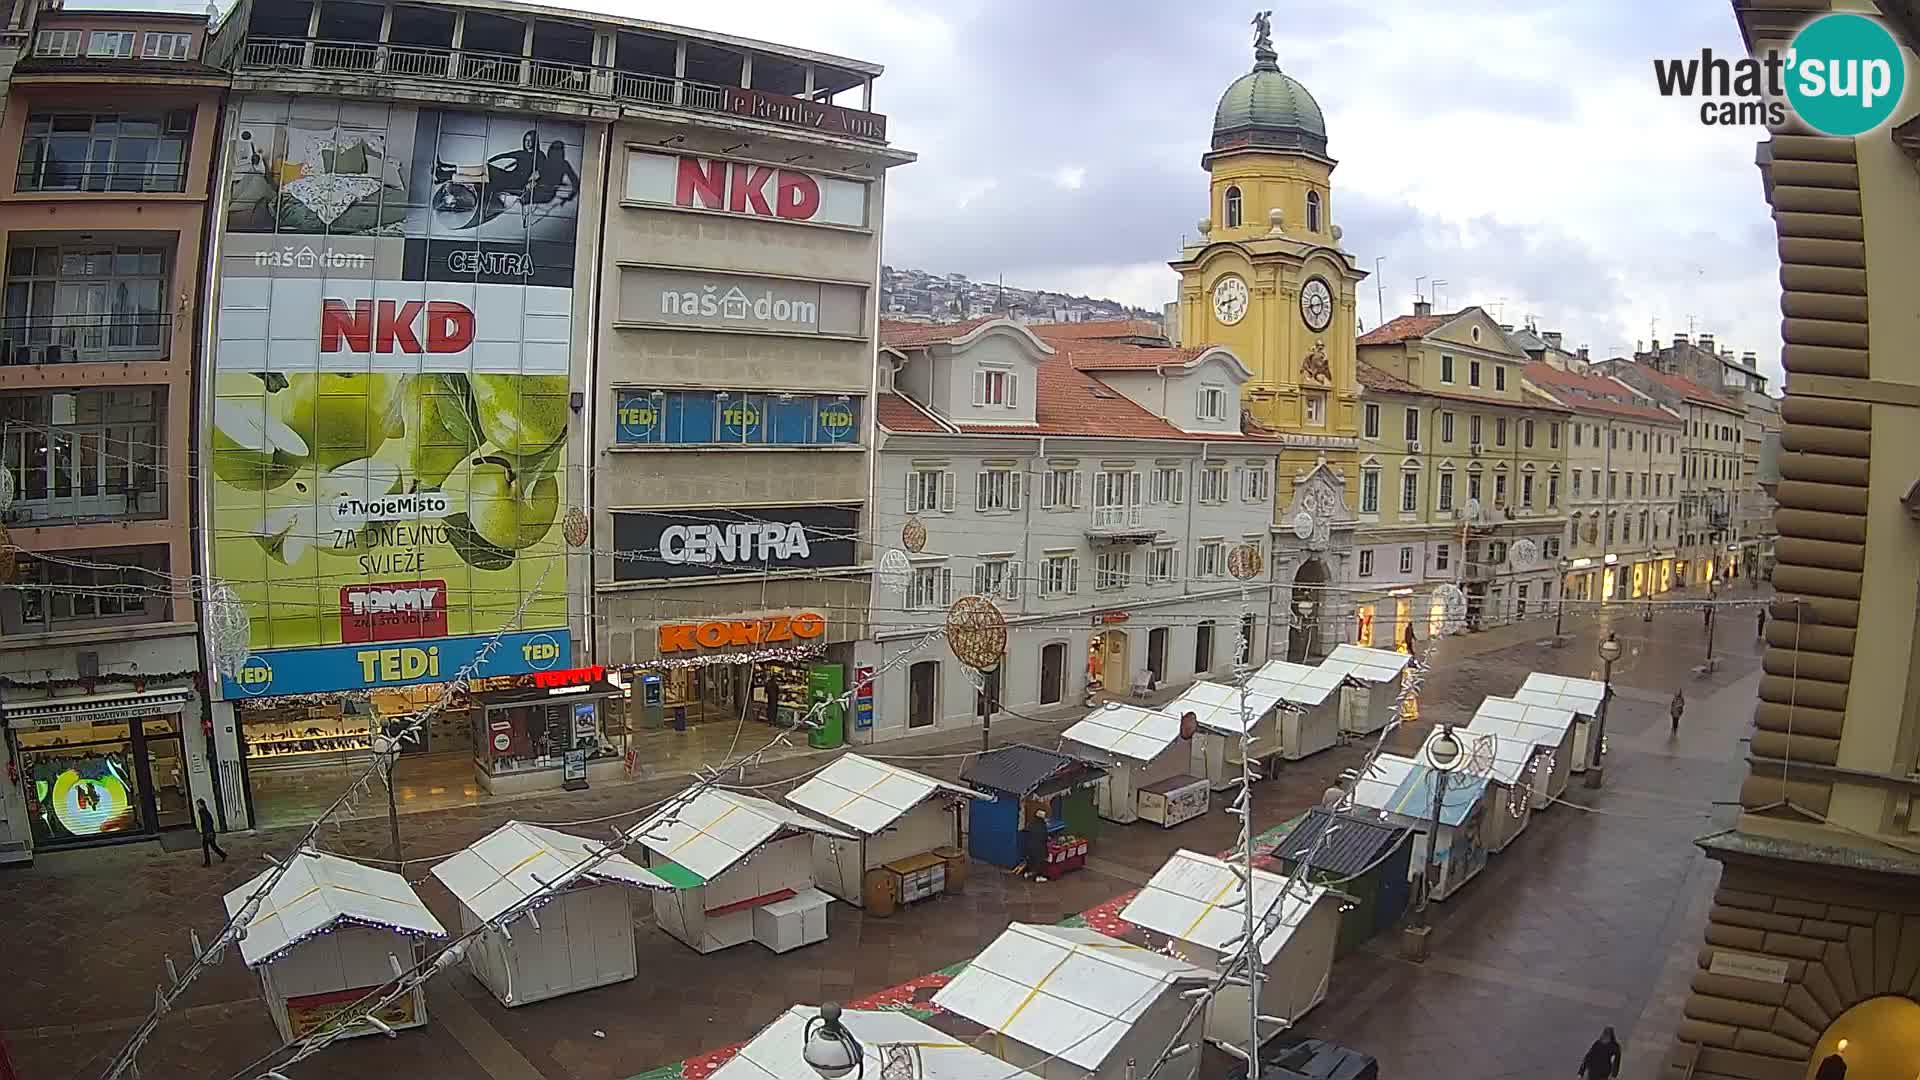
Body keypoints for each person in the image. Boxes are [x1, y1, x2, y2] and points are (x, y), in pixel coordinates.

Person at [1020, 807, 1050, 884]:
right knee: (1039, 862)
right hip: (1039, 847)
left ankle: (1027, 873)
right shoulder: (1042, 826)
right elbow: (1044, 837)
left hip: (1030, 846)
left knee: (1030, 860)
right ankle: (1038, 877)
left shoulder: (1031, 823)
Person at [197, 798, 227, 867]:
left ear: (202, 805)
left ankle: (208, 862)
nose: (197, 806)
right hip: (209, 832)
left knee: (206, 847)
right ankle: (223, 855)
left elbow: (207, 823)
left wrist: (207, 833)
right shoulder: (204, 811)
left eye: (198, 804)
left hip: (208, 832)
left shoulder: (203, 812)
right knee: (213, 846)